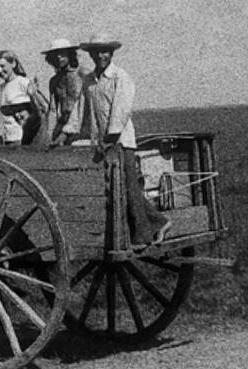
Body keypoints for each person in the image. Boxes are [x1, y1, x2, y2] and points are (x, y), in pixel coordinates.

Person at [51, 34, 172, 246]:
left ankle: (149, 230)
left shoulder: (120, 77)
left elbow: (120, 111)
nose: (100, 56)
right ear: (90, 54)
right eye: (96, 52)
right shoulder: (89, 81)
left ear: (111, 53)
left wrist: (111, 137)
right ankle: (153, 224)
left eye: (104, 52)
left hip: (121, 142)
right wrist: (64, 134)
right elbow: (79, 112)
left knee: (129, 188)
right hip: (103, 144)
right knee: (113, 188)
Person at [39, 38, 89, 144]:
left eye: (61, 53)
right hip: (62, 126)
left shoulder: (83, 74)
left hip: (81, 128)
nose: (58, 57)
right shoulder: (54, 81)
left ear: (70, 54)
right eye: (55, 54)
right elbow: (52, 110)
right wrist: (49, 135)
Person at [0, 50, 44, 145]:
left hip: (21, 137)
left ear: (13, 64)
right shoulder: (2, 87)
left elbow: (43, 106)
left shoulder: (23, 82)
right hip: (7, 138)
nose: (0, 71)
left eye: (3, 66)